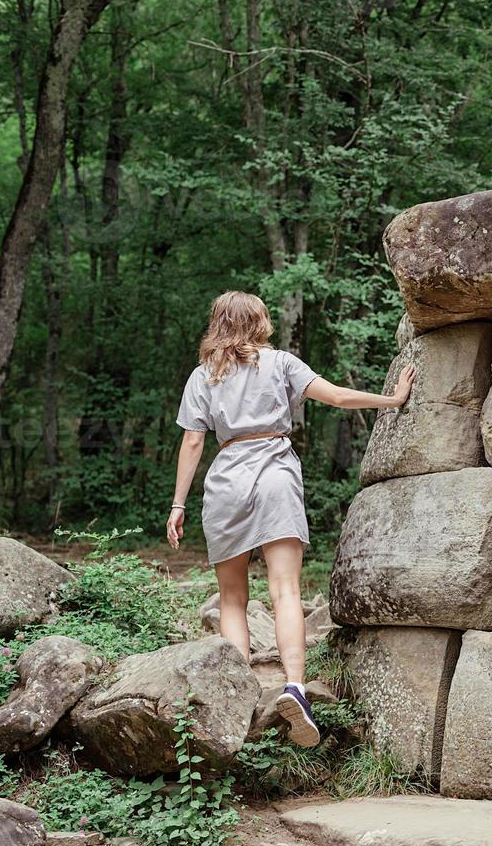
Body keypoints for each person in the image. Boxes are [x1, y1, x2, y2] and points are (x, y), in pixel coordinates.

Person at [167, 290, 413, 747]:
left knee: (233, 600)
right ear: (257, 321)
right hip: (275, 473)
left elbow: (193, 444)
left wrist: (178, 504)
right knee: (285, 591)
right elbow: (336, 397)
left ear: (218, 324)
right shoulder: (280, 363)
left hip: (226, 480)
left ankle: (237, 700)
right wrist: (392, 399)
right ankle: (295, 688)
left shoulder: (203, 377)